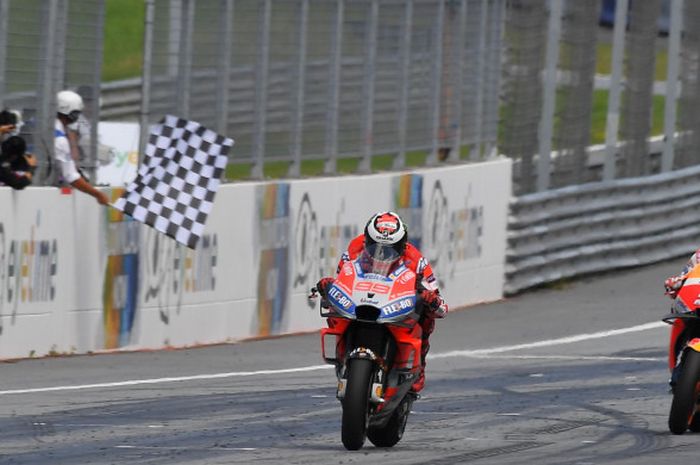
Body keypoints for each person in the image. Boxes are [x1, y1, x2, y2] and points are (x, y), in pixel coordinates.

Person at [313, 211, 448, 393]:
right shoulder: (354, 249)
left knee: (425, 314)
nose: (382, 254)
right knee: (332, 302)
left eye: (391, 248)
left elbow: (439, 304)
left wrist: (431, 300)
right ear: (366, 241)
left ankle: (419, 364)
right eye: (375, 246)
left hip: (395, 305)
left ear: (402, 245)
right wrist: (328, 286)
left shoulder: (416, 260)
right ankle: (342, 350)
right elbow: (342, 280)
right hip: (362, 300)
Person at [55, 90, 108, 205]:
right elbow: (71, 176)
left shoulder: (47, 128)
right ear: (72, 114)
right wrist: (97, 194)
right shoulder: (60, 140)